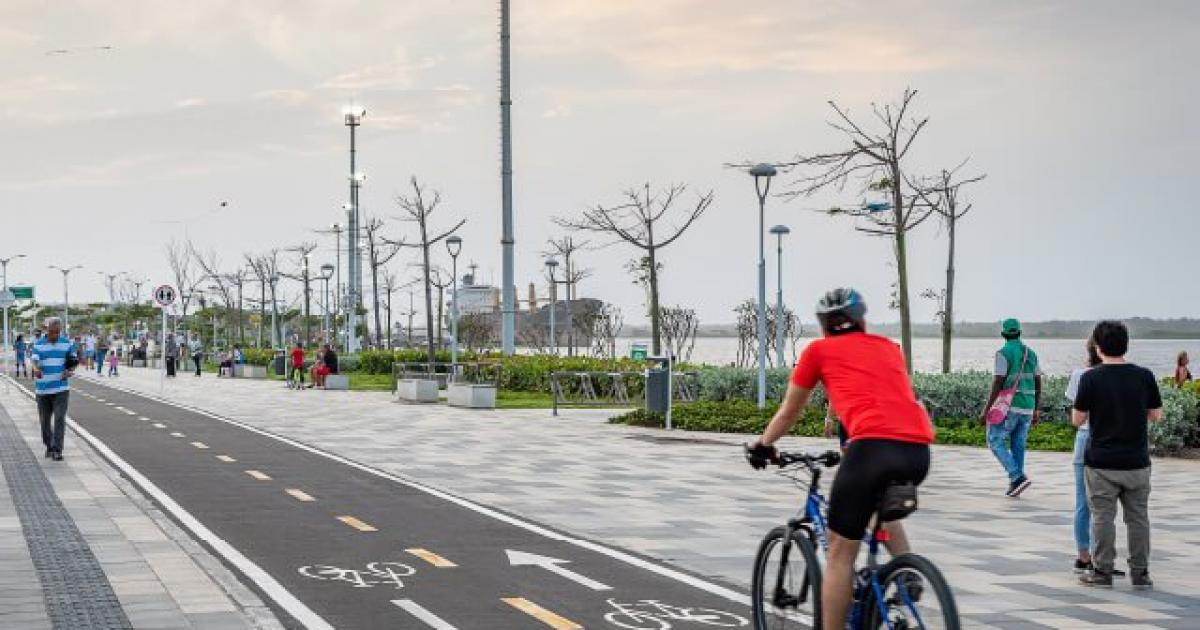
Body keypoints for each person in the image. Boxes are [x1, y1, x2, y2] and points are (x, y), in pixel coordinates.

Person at [746, 288, 934, 630]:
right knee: (876, 508)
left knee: (839, 554)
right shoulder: (888, 347)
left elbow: (790, 412)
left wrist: (763, 444)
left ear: (823, 325)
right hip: (917, 450)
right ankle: (905, 571)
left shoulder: (818, 350)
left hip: (870, 449)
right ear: (861, 320)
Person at [1074, 320, 1161, 590]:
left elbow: (1077, 420)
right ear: (1126, 345)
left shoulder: (1090, 378)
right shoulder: (1144, 376)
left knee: (1103, 518)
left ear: (1098, 348)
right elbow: (1156, 415)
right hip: (1136, 461)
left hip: (1101, 462)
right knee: (1138, 518)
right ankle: (1140, 573)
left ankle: (1103, 571)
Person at [1066, 339, 1128, 576]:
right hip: (1104, 439)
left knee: (1085, 502)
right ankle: (1095, 558)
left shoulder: (1080, 375)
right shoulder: (1117, 375)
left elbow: (1076, 413)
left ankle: (1086, 557)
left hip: (1085, 437)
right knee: (1101, 505)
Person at [981, 318, 1042, 497]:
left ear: (1003, 334)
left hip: (1010, 406)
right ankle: (1016, 483)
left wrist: (986, 409)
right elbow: (1038, 381)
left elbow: (998, 381)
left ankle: (1017, 476)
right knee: (1018, 444)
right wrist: (1036, 408)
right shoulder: (1031, 354)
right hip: (1028, 406)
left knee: (994, 440)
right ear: (1020, 333)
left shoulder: (1003, 353)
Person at [30, 317, 79, 461]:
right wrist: (36, 369)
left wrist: (70, 370)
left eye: (57, 332)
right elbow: (34, 360)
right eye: (52, 332)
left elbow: (73, 360)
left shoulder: (66, 343)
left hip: (61, 389)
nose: (54, 335)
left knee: (59, 419)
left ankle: (57, 449)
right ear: (46, 330)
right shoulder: (39, 344)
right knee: (44, 421)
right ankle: (49, 446)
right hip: (43, 390)